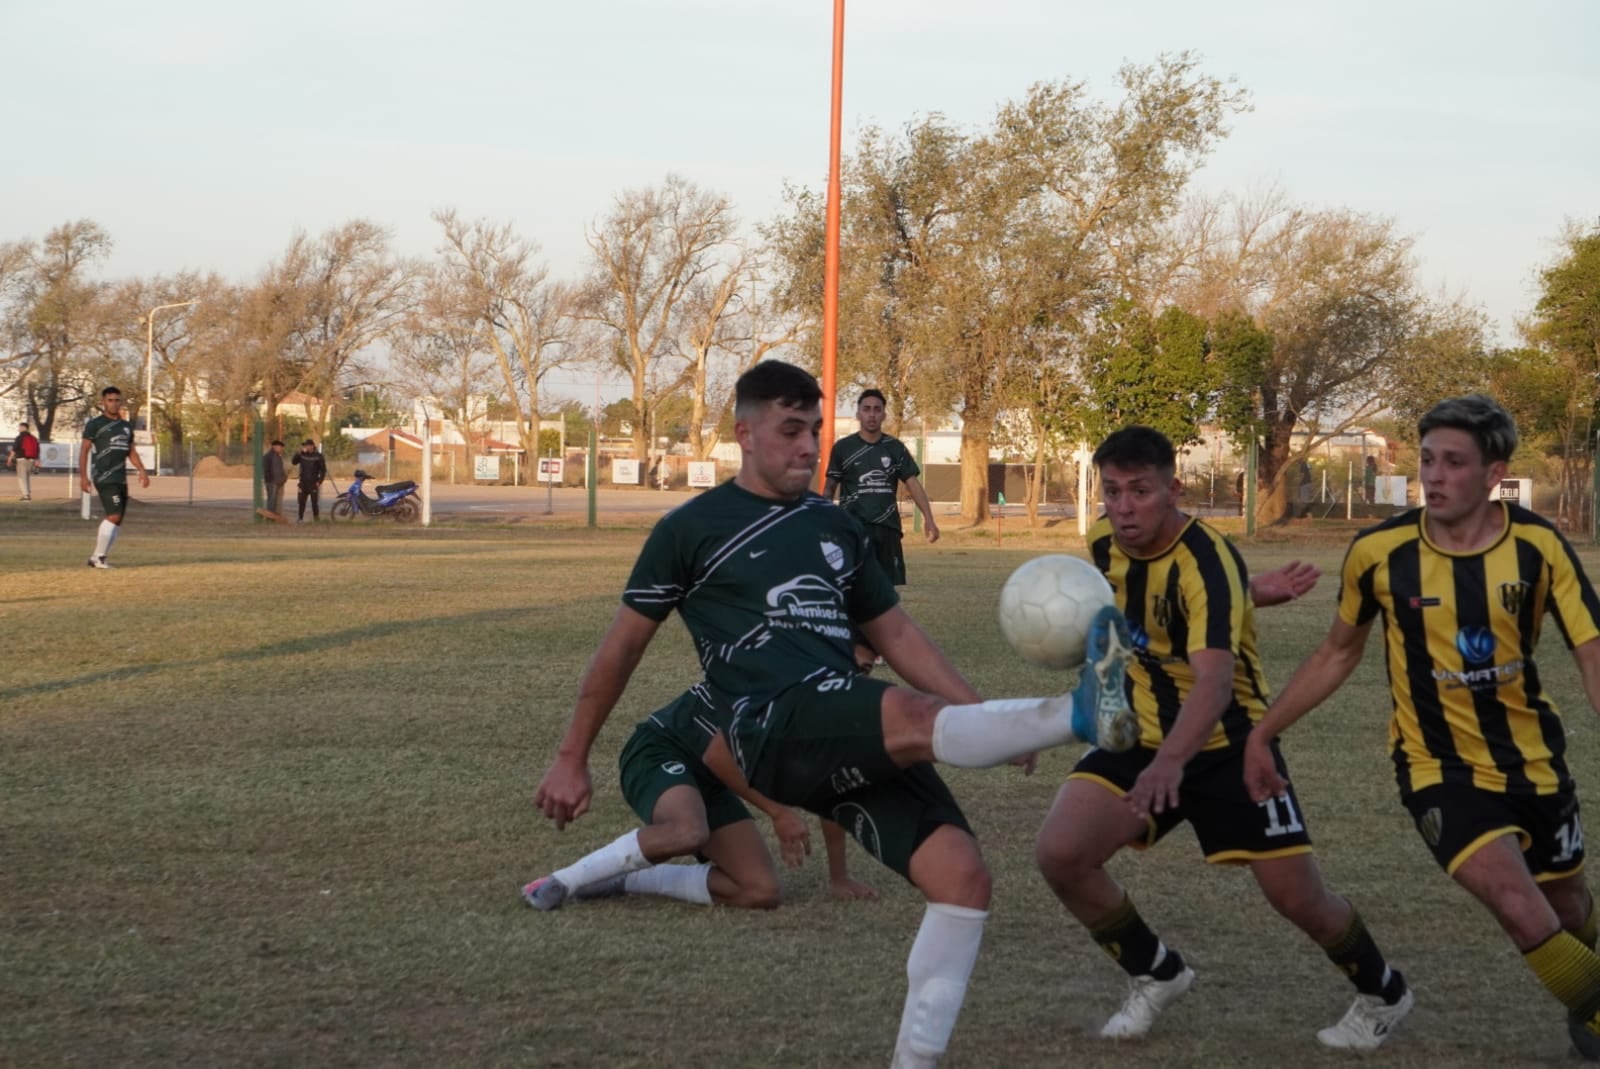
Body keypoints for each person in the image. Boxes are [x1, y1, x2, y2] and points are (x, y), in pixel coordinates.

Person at [534, 360, 1139, 1069]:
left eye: (815, 430)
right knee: (914, 713)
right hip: (768, 724)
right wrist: (572, 755)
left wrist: (978, 712)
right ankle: (1079, 713)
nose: (808, 445)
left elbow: (898, 636)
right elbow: (620, 650)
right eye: (791, 430)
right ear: (746, 434)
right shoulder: (689, 528)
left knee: (962, 876)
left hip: (839, 723)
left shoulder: (837, 525)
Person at [1034, 425, 1413, 1051]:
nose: (1124, 507)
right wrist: (1075, 712)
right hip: (1141, 738)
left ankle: (1385, 991)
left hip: (1229, 745)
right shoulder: (1102, 542)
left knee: (1298, 897)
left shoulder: (1208, 560)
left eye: (1140, 491)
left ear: (1173, 489)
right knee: (1061, 854)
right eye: (1112, 491)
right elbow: (1121, 618)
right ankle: (1156, 973)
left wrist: (1171, 765)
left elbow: (1213, 683)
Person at [1244, 394, 1600, 1059]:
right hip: (1438, 769)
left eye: (1454, 463)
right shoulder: (1379, 551)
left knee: (1570, 910)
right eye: (1428, 460)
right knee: (1522, 909)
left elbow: (1592, 650)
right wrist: (1263, 733)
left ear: (1494, 474)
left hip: (1536, 764)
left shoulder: (1539, 545)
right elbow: (1338, 651)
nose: (1434, 476)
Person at [522, 684, 876, 912]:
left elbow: (832, 787)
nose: (859, 672)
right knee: (688, 831)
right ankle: (561, 881)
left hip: (714, 772)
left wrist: (839, 876)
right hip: (665, 748)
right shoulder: (785, 674)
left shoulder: (833, 704)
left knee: (760, 892)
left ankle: (623, 879)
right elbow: (718, 755)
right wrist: (779, 812)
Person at [823, 388, 939, 585]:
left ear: (884, 414)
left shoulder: (894, 448)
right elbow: (829, 487)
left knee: (887, 590)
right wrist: (822, 518)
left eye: (877, 409)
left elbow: (912, 483)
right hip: (854, 527)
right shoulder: (843, 448)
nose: (872, 414)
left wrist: (929, 518)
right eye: (866, 409)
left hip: (887, 528)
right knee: (853, 587)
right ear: (858, 414)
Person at [79, 387, 151, 569]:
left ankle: (97, 557)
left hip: (120, 478)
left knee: (118, 520)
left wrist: (141, 470)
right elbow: (84, 450)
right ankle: (99, 558)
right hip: (104, 477)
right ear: (103, 401)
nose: (114, 403)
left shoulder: (126, 426)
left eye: (117, 400)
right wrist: (83, 477)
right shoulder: (95, 424)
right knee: (114, 515)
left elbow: (130, 450)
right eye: (110, 400)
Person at [291, 439, 326, 522]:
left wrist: (319, 481)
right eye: (305, 445)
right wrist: (298, 453)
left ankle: (316, 519)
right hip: (303, 482)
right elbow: (294, 462)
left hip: (313, 482)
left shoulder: (318, 456)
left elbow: (323, 470)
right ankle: (300, 518)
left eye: (308, 445)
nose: (307, 447)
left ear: (312, 446)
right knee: (301, 502)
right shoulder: (302, 455)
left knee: (314, 503)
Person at [9, 420, 39, 500]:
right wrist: (37, 460)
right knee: (27, 477)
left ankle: (26, 496)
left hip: (22, 460)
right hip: (32, 460)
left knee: (21, 478)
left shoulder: (20, 437)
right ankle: (27, 493)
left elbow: (14, 449)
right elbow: (37, 450)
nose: (18, 429)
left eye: (19, 427)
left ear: (23, 428)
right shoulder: (34, 438)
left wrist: (9, 459)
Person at [263, 440, 288, 516]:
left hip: (272, 481)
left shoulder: (271, 455)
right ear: (275, 447)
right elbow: (276, 471)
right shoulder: (273, 456)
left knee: (272, 500)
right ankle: (270, 516)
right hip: (274, 482)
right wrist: (283, 479)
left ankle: (272, 516)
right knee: (272, 501)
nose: (281, 449)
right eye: (280, 447)